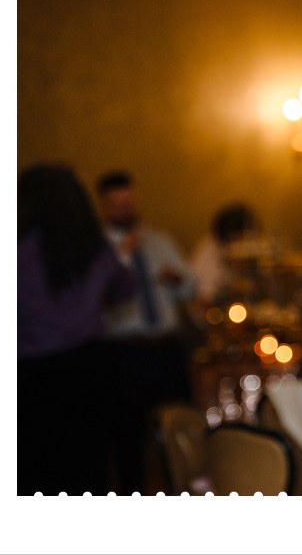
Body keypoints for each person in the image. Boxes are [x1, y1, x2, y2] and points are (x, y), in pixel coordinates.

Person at [18, 164, 137, 495]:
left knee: (36, 475)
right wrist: (122, 258)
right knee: (89, 472)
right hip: (89, 370)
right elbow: (125, 289)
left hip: (31, 376)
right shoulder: (90, 247)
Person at [96, 170, 198, 494]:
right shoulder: (99, 250)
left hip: (167, 347)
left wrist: (178, 279)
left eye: (129, 201)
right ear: (104, 207)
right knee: (129, 436)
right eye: (117, 204)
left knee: (182, 426)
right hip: (126, 350)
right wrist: (122, 258)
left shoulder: (159, 241)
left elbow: (191, 286)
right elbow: (98, 300)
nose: (125, 209)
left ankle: (186, 489)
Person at [189, 203, 258, 316]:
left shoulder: (233, 252)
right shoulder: (209, 253)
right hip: (208, 315)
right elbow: (204, 298)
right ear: (231, 233)